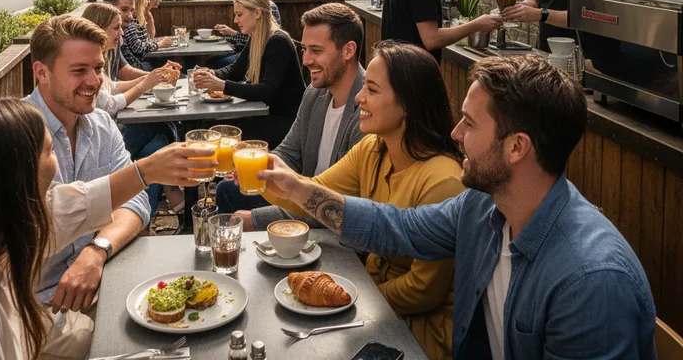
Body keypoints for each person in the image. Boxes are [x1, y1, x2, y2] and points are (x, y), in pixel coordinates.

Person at [259, 54, 657, 360]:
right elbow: (397, 226)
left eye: (469, 123)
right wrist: (295, 188)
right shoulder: (484, 207)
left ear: (517, 147)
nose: (455, 133)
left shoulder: (590, 281)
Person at [0, 98, 215, 360]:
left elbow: (84, 202)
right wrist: (148, 171)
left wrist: (148, 169)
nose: (57, 164)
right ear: (17, 175)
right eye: (49, 151)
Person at [264, 41, 463, 360]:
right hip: (370, 307)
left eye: (371, 89)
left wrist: (349, 301)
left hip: (419, 333)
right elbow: (314, 195)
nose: (359, 97)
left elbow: (423, 292)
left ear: (407, 104)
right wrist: (263, 174)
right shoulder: (373, 148)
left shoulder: (443, 180)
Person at [23, 16, 154, 326]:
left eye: (97, 68)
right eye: (79, 71)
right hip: (35, 307)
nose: (95, 81)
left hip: (104, 284)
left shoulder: (101, 123)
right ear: (41, 72)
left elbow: (137, 202)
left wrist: (96, 251)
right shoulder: (16, 133)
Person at [217, 2, 366, 228]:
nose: (306, 61)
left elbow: (345, 205)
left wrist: (257, 219)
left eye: (316, 50)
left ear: (348, 50)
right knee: (227, 189)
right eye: (305, 49)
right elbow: (291, 150)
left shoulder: (367, 108)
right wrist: (260, 168)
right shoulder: (315, 93)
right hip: (301, 193)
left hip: (332, 214)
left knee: (241, 219)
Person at [81, 2, 180, 215]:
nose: (122, 33)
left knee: (155, 147)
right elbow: (109, 105)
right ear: (98, 28)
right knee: (162, 124)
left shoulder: (102, 56)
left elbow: (113, 87)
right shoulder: (89, 61)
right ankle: (172, 190)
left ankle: (146, 216)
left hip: (112, 130)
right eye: (116, 28)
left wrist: (154, 76)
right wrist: (146, 84)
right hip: (102, 140)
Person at [194, 0, 305, 148]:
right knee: (206, 126)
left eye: (239, 14)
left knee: (221, 139)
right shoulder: (256, 37)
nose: (235, 20)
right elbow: (235, 70)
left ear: (257, 13)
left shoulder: (278, 41)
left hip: (289, 121)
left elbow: (268, 91)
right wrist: (211, 73)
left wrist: (222, 86)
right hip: (266, 113)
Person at [212, 0, 282, 68]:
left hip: (259, 54)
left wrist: (232, 33)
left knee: (219, 63)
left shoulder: (268, 7)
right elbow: (250, 39)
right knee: (212, 60)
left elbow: (263, 39)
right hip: (251, 50)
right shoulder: (252, 7)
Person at [101, 0, 161, 81]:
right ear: (107, 8)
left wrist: (159, 76)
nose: (130, 16)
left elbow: (125, 72)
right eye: (124, 10)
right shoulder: (92, 43)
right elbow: (108, 88)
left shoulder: (117, 37)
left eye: (131, 10)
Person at [119, 0, 173, 69]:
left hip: (139, 65)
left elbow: (147, 40)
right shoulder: (129, 21)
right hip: (137, 67)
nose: (147, 0)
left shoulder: (138, 19)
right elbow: (137, 46)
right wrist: (159, 44)